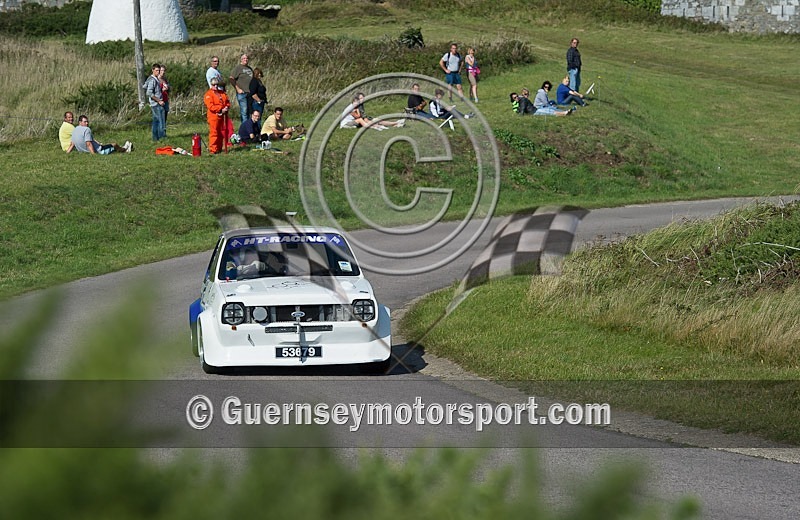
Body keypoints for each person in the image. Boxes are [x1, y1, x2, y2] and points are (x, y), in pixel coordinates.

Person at [339, 93, 404, 130]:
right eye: (361, 98)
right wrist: (371, 122)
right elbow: (359, 117)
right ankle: (395, 124)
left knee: (378, 120)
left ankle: (396, 123)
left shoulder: (359, 105)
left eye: (363, 98)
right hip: (352, 122)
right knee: (376, 121)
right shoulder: (354, 106)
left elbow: (361, 116)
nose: (362, 99)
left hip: (360, 119)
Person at [203, 78, 231, 154]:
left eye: (217, 84)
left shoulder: (222, 93)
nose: (215, 86)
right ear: (211, 85)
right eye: (213, 84)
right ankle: (213, 149)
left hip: (222, 116)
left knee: (221, 132)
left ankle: (219, 148)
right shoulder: (208, 94)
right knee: (214, 133)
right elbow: (211, 106)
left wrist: (226, 107)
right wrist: (221, 109)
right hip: (214, 116)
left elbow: (227, 101)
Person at [144, 63, 165, 141]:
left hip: (155, 103)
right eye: (156, 70)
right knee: (160, 121)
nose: (158, 72)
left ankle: (155, 138)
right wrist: (159, 100)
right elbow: (149, 92)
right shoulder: (152, 80)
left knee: (156, 121)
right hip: (156, 104)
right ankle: (160, 137)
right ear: (152, 70)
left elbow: (145, 86)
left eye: (159, 70)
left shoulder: (152, 79)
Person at [229, 54, 254, 122]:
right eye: (244, 58)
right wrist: (237, 88)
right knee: (244, 111)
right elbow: (231, 79)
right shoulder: (238, 68)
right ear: (241, 59)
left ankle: (250, 128)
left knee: (250, 111)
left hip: (250, 93)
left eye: (247, 58)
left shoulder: (250, 69)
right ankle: (244, 129)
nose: (245, 60)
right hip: (242, 93)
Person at [159, 64, 170, 132]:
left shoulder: (165, 79)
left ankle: (164, 131)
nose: (163, 72)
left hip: (166, 99)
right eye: (162, 70)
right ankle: (161, 132)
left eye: (164, 70)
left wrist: (167, 88)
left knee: (165, 116)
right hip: (160, 99)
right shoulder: (157, 79)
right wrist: (161, 89)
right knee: (161, 116)